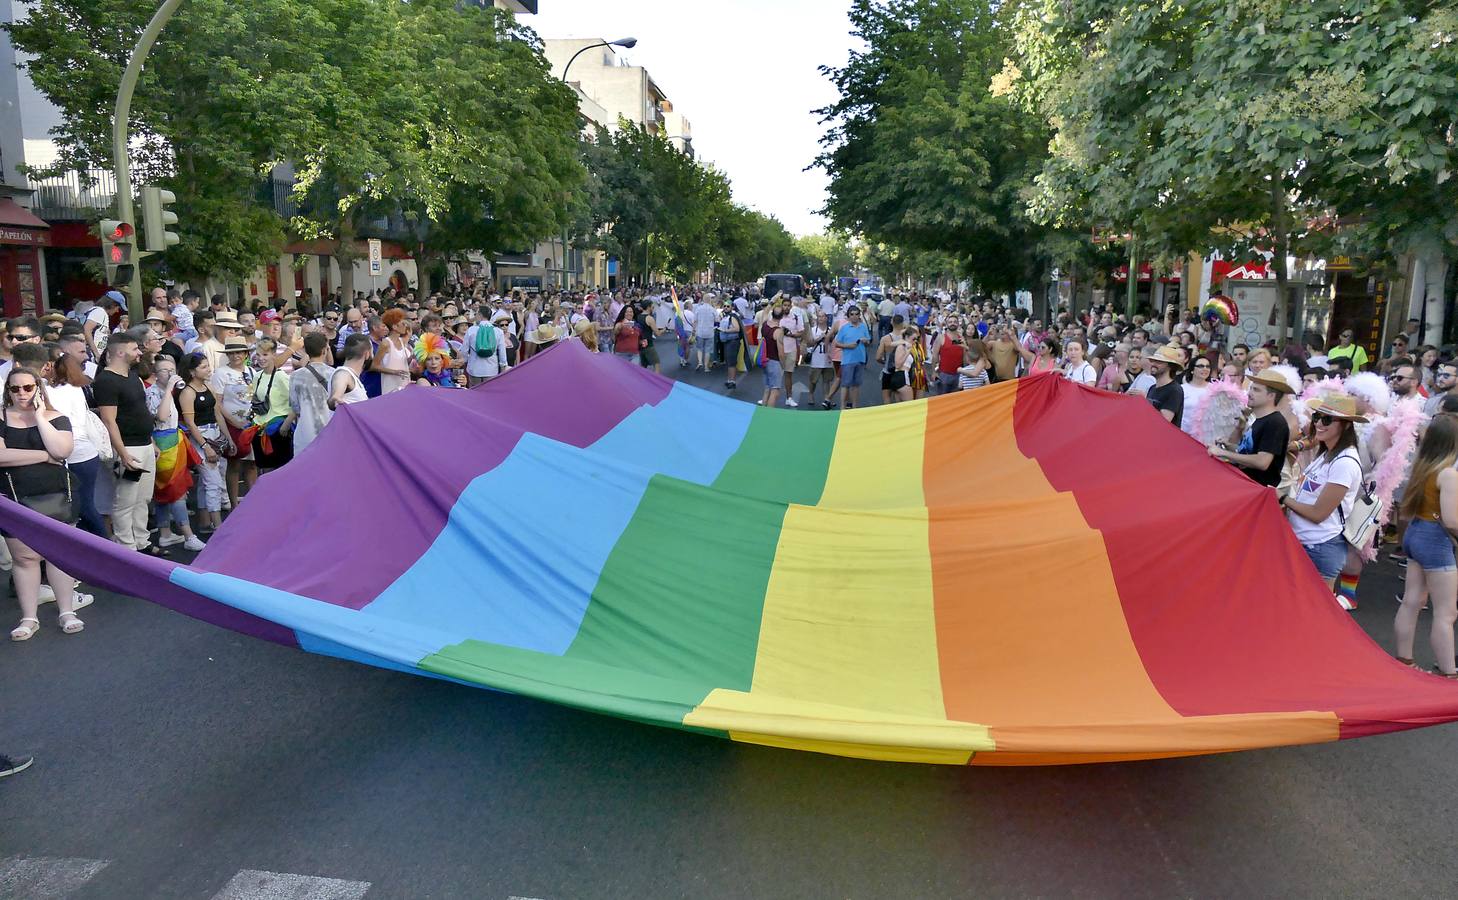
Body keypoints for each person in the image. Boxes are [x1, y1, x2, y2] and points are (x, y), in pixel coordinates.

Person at [2, 366, 84, 640]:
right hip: (15, 499)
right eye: (15, 388)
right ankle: (28, 617)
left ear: (38, 388)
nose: (22, 393)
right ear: (8, 391)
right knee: (24, 559)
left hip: (57, 496)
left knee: (58, 556)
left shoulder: (54, 417)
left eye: (28, 387)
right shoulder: (1, 418)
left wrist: (38, 417)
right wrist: (42, 455)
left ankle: (67, 611)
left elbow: (61, 451)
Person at [1394, 414, 1458, 675]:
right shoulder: (1448, 474)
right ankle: (1448, 670)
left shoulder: (1422, 467)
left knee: (1411, 601)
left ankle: (1404, 660)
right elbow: (1452, 520)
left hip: (1415, 533)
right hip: (1435, 541)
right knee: (1446, 612)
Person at [1282, 396, 1366, 589]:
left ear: (1345, 426)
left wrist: (1284, 498)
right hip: (1306, 543)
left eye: (1327, 420)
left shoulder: (1344, 462)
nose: (1319, 423)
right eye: (1317, 417)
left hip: (1320, 548)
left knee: (1313, 615)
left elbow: (1318, 514)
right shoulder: (1327, 453)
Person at [92, 333, 158, 554]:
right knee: (125, 500)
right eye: (135, 349)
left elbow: (140, 411)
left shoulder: (132, 375)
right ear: (120, 352)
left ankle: (142, 541)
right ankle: (127, 549)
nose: (139, 352)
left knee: (143, 498)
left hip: (145, 445)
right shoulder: (106, 381)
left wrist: (151, 442)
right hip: (128, 447)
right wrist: (123, 453)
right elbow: (109, 420)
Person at [149, 354, 206, 552]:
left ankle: (165, 534)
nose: (170, 373)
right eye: (165, 370)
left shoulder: (169, 390)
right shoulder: (154, 392)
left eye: (172, 369)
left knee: (165, 492)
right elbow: (161, 416)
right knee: (176, 492)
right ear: (156, 374)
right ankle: (188, 535)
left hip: (174, 439)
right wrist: (168, 391)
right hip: (164, 444)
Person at [1209, 370, 1291, 486]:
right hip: (1244, 485)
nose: (1249, 393)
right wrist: (1230, 445)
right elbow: (1248, 452)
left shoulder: (1275, 422)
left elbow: (1262, 462)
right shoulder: (1260, 419)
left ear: (1271, 396)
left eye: (1256, 390)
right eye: (1251, 388)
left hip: (1256, 490)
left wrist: (1222, 453)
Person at [212, 338, 257, 510]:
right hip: (232, 424)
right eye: (231, 353)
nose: (235, 356)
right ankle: (233, 505)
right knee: (235, 463)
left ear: (246, 354)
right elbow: (217, 403)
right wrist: (233, 421)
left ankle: (253, 501)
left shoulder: (252, 371)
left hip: (252, 424)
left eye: (239, 352)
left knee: (252, 463)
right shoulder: (221, 373)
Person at [287, 332, 335, 455]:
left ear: (306, 351)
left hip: (305, 432)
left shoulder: (295, 376)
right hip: (331, 430)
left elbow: (295, 407)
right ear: (324, 350)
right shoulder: (334, 374)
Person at [834, 305, 871, 410]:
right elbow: (837, 343)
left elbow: (868, 341)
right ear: (848, 316)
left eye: (856, 314)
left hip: (860, 359)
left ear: (859, 315)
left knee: (856, 385)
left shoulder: (863, 327)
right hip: (848, 360)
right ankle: (842, 406)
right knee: (845, 384)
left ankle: (854, 406)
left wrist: (865, 341)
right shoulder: (844, 328)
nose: (854, 316)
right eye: (852, 314)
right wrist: (848, 346)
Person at [463, 309, 510, 386]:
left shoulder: (471, 330)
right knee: (489, 393)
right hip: (491, 369)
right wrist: (503, 366)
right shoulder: (498, 331)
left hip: (474, 368)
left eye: (476, 314)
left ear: (480, 315)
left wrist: (465, 361)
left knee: (474, 393)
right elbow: (502, 352)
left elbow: (464, 350)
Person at [1144, 345, 1186, 426]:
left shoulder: (1174, 390)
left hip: (1165, 437)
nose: (1153, 364)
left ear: (1170, 366)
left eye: (1159, 362)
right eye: (1152, 361)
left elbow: (1165, 421)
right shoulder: (1152, 388)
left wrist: (1145, 401)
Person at [331, 334, 372, 409]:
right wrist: (335, 399)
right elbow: (335, 398)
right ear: (367, 354)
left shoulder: (350, 375)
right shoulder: (343, 374)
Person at [759, 304, 785, 408]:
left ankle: (763, 412)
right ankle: (769, 414)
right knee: (775, 391)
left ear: (772, 314)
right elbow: (781, 353)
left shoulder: (765, 324)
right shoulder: (778, 331)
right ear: (782, 317)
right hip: (774, 362)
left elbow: (765, 312)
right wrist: (783, 365)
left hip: (765, 360)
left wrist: (773, 300)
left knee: (767, 388)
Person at [719, 301, 744, 390]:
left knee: (732, 362)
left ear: (732, 307)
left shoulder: (733, 317)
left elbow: (737, 328)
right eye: (724, 306)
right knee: (729, 361)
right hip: (728, 341)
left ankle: (732, 381)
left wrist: (725, 330)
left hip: (733, 341)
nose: (725, 307)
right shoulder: (727, 316)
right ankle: (729, 380)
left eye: (728, 306)